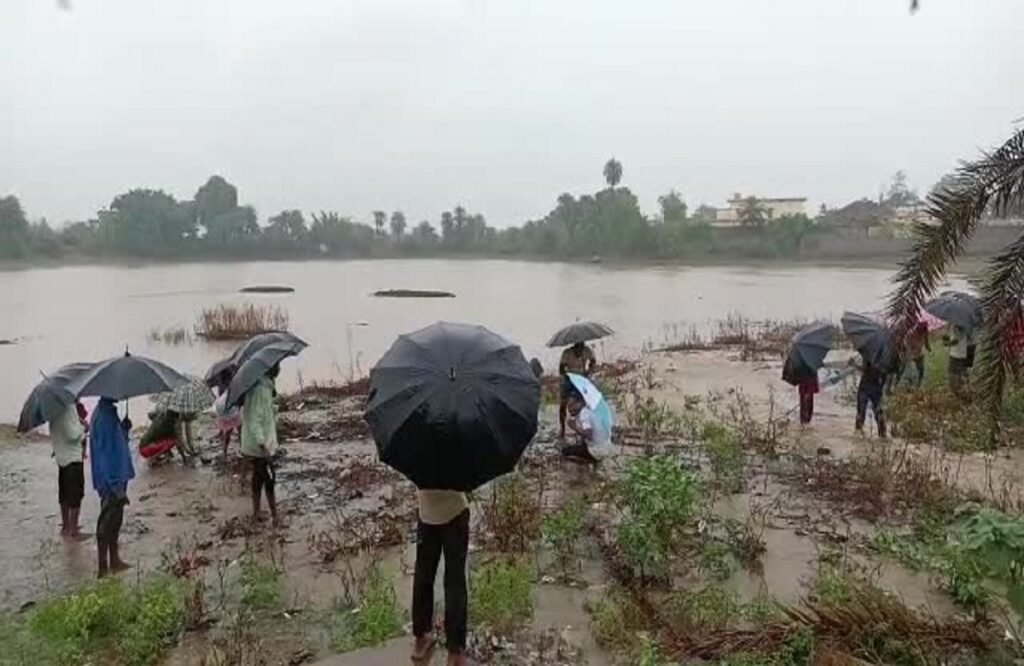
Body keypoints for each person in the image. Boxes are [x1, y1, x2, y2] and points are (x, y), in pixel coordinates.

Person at [411, 488, 469, 666]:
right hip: (442, 514)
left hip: (441, 513)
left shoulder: (415, 459)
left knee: (435, 578)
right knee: (444, 580)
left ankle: (438, 643)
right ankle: (448, 647)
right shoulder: (456, 458)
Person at [90, 397, 135, 577]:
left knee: (116, 520)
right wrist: (114, 485)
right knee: (106, 521)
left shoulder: (109, 413)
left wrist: (124, 430)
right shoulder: (102, 417)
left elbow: (117, 444)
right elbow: (102, 454)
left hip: (119, 474)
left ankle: (114, 560)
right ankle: (102, 568)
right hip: (111, 479)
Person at [240, 365, 280, 526]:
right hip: (259, 446)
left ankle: (256, 515)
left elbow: (261, 414)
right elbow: (255, 421)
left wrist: (274, 408)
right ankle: (275, 516)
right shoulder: (260, 391)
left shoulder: (258, 386)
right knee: (269, 479)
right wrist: (263, 445)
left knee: (258, 479)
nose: (279, 369)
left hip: (253, 443)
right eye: (277, 366)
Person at [50, 403, 87, 538]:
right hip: (73, 458)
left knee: (64, 494)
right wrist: (83, 427)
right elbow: (73, 435)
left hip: (62, 458)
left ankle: (66, 526)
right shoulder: (67, 409)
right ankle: (74, 531)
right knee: (76, 495)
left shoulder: (53, 410)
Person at [561, 390, 614, 463]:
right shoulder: (590, 410)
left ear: (581, 403)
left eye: (572, 405)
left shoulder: (584, 414)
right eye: (568, 406)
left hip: (596, 451)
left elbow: (588, 434)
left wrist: (574, 427)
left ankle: (584, 465)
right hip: (605, 448)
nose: (570, 409)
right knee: (578, 446)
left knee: (565, 452)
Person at [558, 341, 596, 439]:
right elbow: (561, 368)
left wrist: (589, 370)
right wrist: (566, 375)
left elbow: (593, 361)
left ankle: (584, 426)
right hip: (569, 379)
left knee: (584, 402)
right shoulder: (567, 353)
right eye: (578, 346)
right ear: (574, 345)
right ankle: (562, 429)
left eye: (581, 346)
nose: (580, 349)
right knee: (563, 404)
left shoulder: (586, 351)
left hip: (582, 378)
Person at [855, 357, 887, 438]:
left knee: (861, 411)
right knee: (878, 410)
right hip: (877, 385)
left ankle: (858, 435)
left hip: (865, 385)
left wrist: (854, 365)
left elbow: (865, 369)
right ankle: (883, 434)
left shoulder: (869, 353)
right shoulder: (884, 353)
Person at [214, 388, 242, 459]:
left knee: (228, 432)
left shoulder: (223, 388)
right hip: (232, 410)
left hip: (224, 409)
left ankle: (225, 453)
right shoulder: (235, 386)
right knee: (239, 429)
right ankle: (242, 448)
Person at [904, 320, 931, 388]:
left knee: (921, 370)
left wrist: (928, 348)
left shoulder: (925, 333)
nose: (922, 332)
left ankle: (918, 385)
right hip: (910, 355)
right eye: (921, 330)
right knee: (911, 372)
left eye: (924, 330)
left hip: (919, 354)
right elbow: (907, 346)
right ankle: (909, 385)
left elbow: (926, 342)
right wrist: (911, 352)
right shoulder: (911, 334)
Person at [945, 324, 971, 395]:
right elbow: (968, 337)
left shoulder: (956, 323)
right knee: (962, 372)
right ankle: (965, 389)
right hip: (963, 352)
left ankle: (955, 391)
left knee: (952, 373)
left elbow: (956, 339)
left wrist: (947, 343)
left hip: (956, 354)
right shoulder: (966, 323)